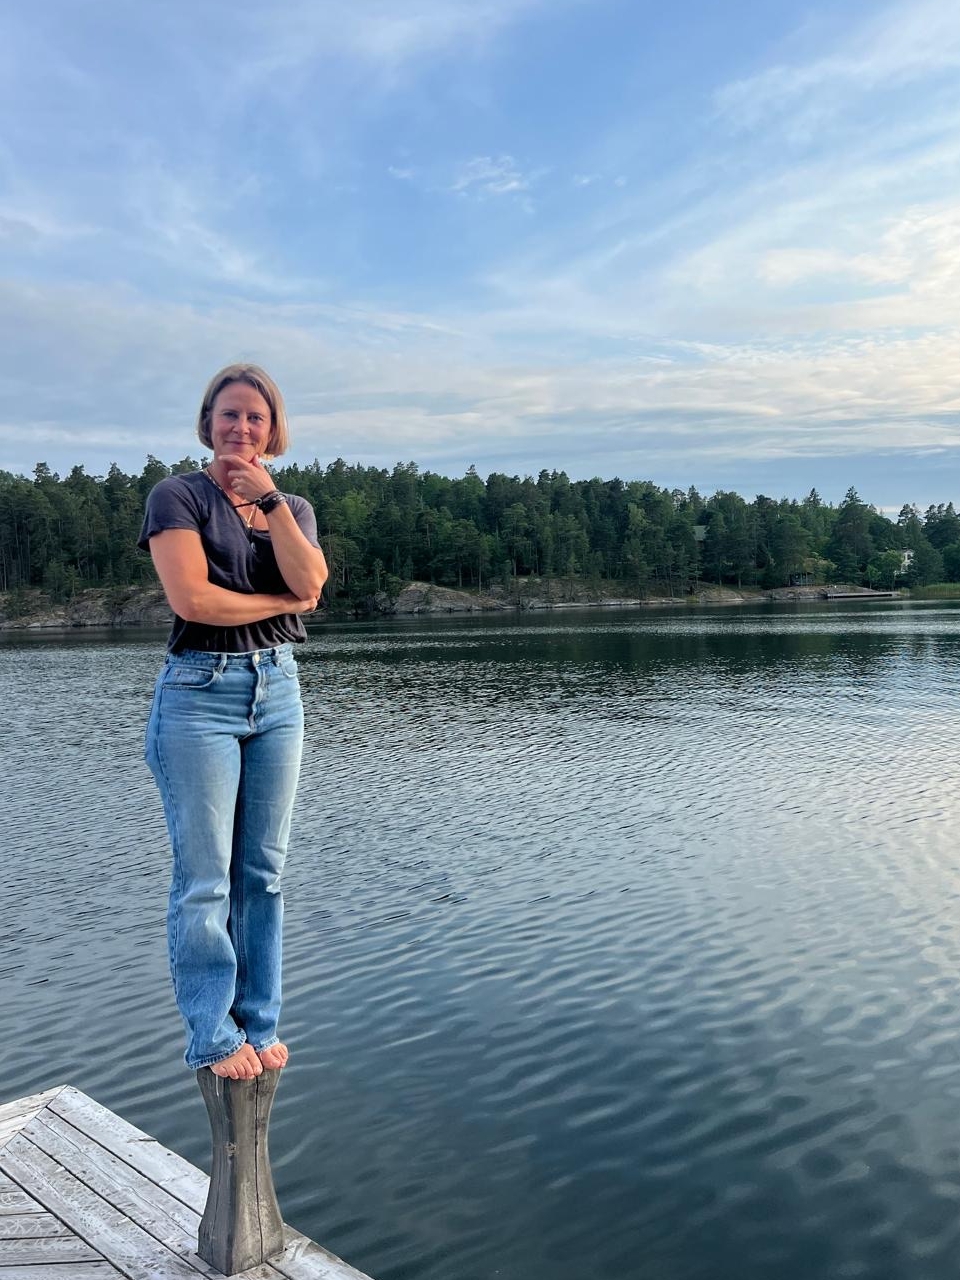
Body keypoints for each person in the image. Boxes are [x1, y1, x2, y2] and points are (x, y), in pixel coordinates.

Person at [140, 364, 328, 1079]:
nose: (241, 428)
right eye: (229, 414)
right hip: (199, 692)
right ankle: (214, 1035)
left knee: (264, 873)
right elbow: (193, 601)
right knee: (205, 878)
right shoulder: (177, 496)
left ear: (272, 430)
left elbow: (312, 581)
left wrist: (269, 500)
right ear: (207, 423)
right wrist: (283, 606)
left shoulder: (292, 506)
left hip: (277, 689)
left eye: (255, 417)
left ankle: (259, 1022)